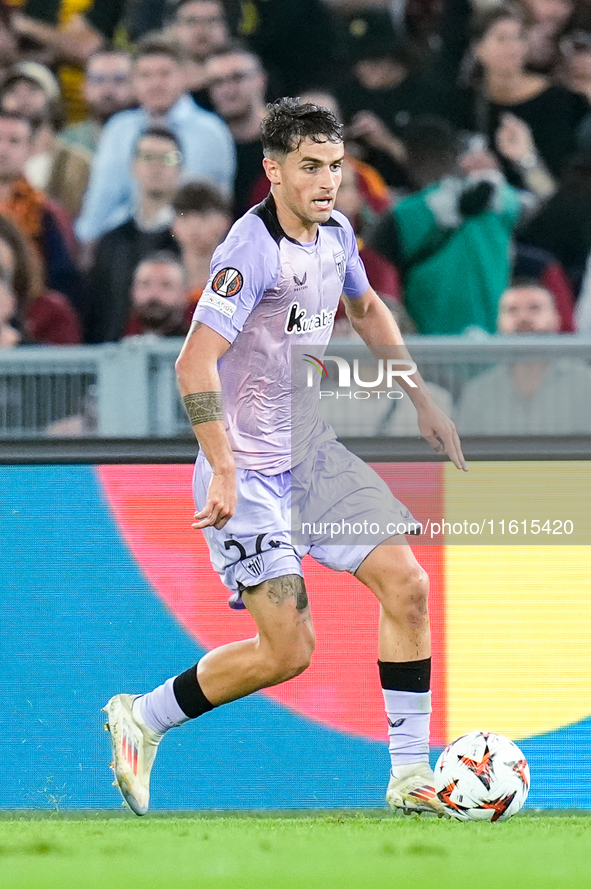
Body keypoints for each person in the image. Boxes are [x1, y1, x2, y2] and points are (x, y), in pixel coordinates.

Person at [103, 98, 467, 817]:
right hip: (244, 468)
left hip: (310, 454)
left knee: (408, 586)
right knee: (288, 650)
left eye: (333, 166)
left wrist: (420, 398)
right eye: (309, 167)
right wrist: (226, 466)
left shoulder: (335, 231)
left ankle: (407, 775)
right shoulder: (249, 248)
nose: (327, 180)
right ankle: (142, 716)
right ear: (272, 170)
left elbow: (364, 309)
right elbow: (192, 364)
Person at [75, 33, 236, 244]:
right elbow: (101, 199)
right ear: (133, 81)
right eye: (145, 75)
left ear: (184, 76)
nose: (155, 84)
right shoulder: (119, 128)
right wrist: (87, 242)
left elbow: (211, 209)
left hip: (188, 245)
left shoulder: (211, 132)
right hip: (121, 245)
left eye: (165, 74)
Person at [369, 116, 523, 336]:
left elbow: (380, 281)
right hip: (492, 341)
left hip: (433, 346)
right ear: (457, 155)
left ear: (407, 158)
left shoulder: (400, 216)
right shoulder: (499, 199)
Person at [83, 127, 182, 343]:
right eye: (147, 157)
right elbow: (100, 312)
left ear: (180, 169)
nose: (156, 166)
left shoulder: (188, 241)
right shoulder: (111, 242)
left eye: (167, 158)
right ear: (133, 166)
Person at [455, 280, 591, 434]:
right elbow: (466, 453)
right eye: (512, 310)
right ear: (498, 323)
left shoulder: (586, 383)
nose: (523, 318)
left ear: (556, 320)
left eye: (534, 308)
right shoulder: (477, 392)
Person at [0, 110, 81, 311]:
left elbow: (63, 281)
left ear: (31, 149)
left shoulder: (47, 214)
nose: (2, 149)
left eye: (14, 141)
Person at [1, 62, 92, 221]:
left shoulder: (77, 162)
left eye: (32, 90)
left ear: (52, 99)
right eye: (13, 92)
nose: (22, 99)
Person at [206, 44, 268, 217]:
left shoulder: (291, 141)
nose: (228, 90)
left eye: (238, 78)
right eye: (217, 82)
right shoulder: (206, 145)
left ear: (260, 80)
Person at [60, 49, 135, 155]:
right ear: (84, 88)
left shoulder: (151, 136)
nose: (107, 90)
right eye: (98, 80)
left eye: (119, 80)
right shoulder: (68, 142)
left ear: (136, 86)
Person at [171, 179, 232, 307]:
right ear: (173, 226)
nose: (194, 226)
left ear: (225, 222)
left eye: (204, 216)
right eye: (185, 217)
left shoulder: (242, 280)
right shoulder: (159, 280)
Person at [169, 0, 232, 110]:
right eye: (191, 21)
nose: (202, 30)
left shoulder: (246, 80)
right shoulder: (159, 84)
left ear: (225, 28)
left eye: (212, 20)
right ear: (174, 29)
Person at [125, 251, 192, 338]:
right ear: (133, 291)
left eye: (166, 285)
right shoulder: (113, 342)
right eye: (145, 284)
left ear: (184, 294)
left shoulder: (199, 347)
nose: (154, 293)